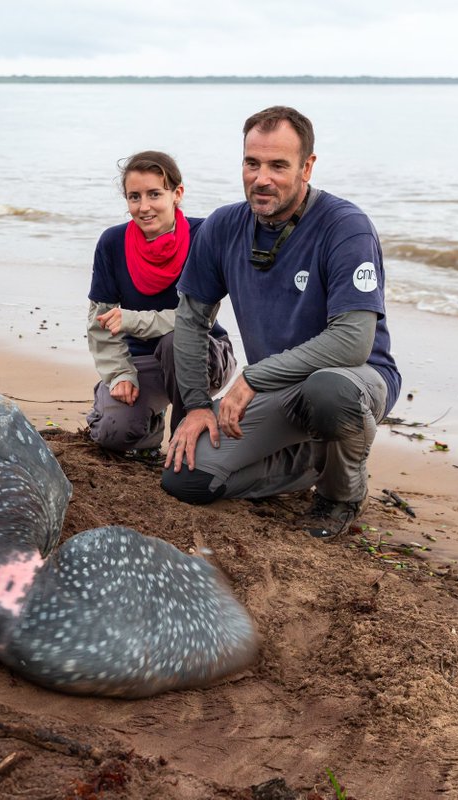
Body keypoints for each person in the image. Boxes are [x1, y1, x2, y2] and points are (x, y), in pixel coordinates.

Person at [162, 106, 401, 539]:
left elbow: (353, 341)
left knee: (329, 391)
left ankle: (340, 495)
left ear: (307, 167)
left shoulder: (346, 227)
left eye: (278, 165)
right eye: (252, 163)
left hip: (354, 382)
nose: (262, 178)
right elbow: (192, 320)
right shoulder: (221, 227)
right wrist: (197, 404)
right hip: (278, 390)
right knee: (186, 480)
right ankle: (310, 461)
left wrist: (252, 378)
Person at [85, 151, 236, 461]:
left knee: (174, 342)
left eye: (155, 194)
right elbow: (99, 322)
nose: (144, 207)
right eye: (134, 197)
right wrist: (119, 373)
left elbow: (196, 320)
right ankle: (147, 425)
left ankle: (188, 429)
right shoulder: (112, 243)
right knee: (113, 433)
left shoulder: (203, 237)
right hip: (143, 360)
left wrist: (131, 320)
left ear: (177, 194)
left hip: (204, 356)